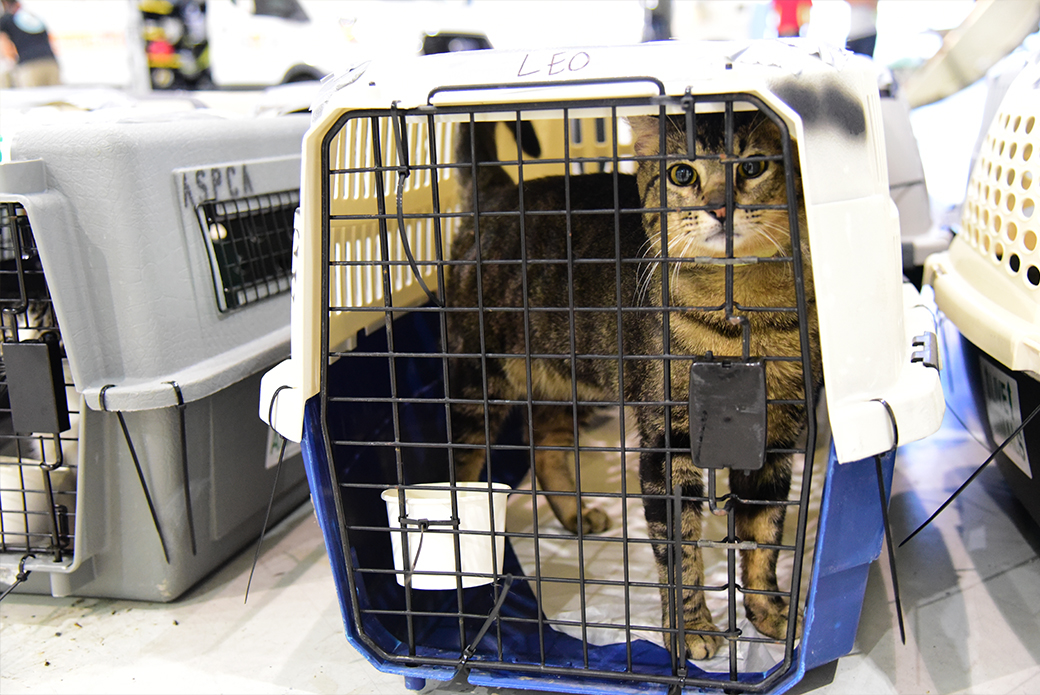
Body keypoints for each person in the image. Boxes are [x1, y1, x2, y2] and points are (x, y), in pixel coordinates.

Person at [0, 0, 60, 87]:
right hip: (50, 61)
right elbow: (51, 39)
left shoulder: (6, 20)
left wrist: (11, 61)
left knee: (32, 95)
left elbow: (4, 43)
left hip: (29, 65)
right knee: (55, 94)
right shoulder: (34, 18)